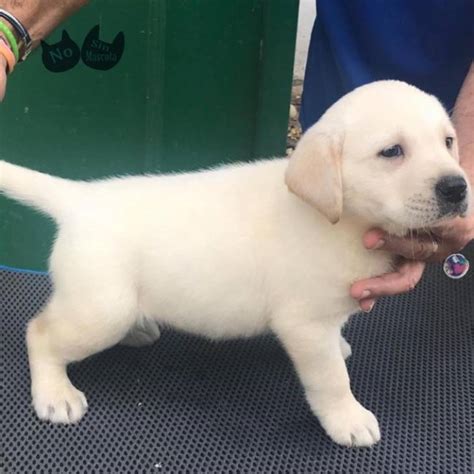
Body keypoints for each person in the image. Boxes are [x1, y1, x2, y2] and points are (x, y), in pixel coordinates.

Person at [0, 0, 472, 311]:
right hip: (348, 115)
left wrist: (465, 163)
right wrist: (8, 29)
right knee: (331, 253)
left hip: (460, 112)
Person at [301, 0, 474, 311]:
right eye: (394, 151)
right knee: (326, 282)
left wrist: (469, 165)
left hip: (459, 100)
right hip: (344, 104)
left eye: (448, 141)